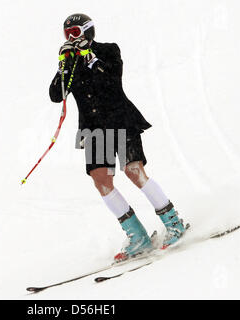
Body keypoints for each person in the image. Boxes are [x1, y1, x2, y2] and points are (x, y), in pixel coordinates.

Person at [49, 13, 186, 262]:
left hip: (119, 119)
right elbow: (55, 95)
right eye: (68, 35)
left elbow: (112, 79)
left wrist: (89, 57)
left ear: (88, 32)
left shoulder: (108, 51)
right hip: (93, 128)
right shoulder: (69, 64)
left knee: (134, 171)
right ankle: (138, 236)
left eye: (76, 33)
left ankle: (174, 222)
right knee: (101, 181)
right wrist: (63, 66)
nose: (72, 39)